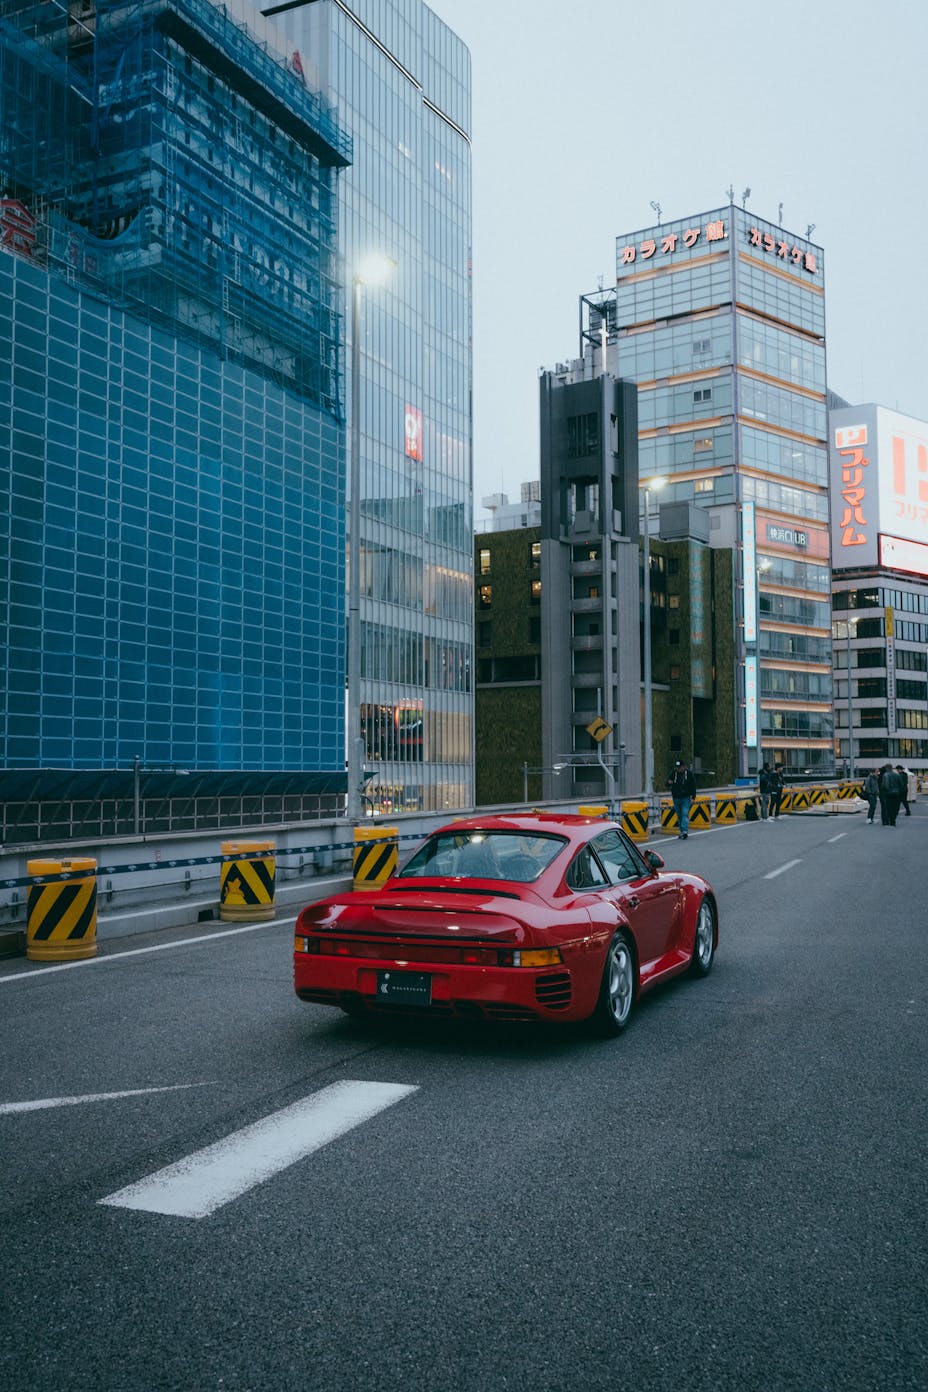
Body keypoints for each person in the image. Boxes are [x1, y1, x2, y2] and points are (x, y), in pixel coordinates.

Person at [668, 758, 697, 839]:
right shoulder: (674, 773)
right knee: (679, 815)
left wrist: (693, 797)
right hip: (676, 797)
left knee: (685, 813)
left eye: (680, 767)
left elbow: (693, 786)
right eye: (677, 767)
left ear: (684, 767)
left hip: (685, 797)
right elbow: (667, 782)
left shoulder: (689, 774)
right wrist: (669, 782)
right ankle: (682, 831)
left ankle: (684, 831)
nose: (678, 769)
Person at [878, 762, 902, 827]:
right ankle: (893, 821)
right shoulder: (897, 775)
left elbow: (884, 785)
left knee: (889, 807)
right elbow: (901, 784)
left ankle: (889, 820)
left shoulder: (885, 775)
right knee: (895, 807)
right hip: (896, 793)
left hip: (888, 793)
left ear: (886, 768)